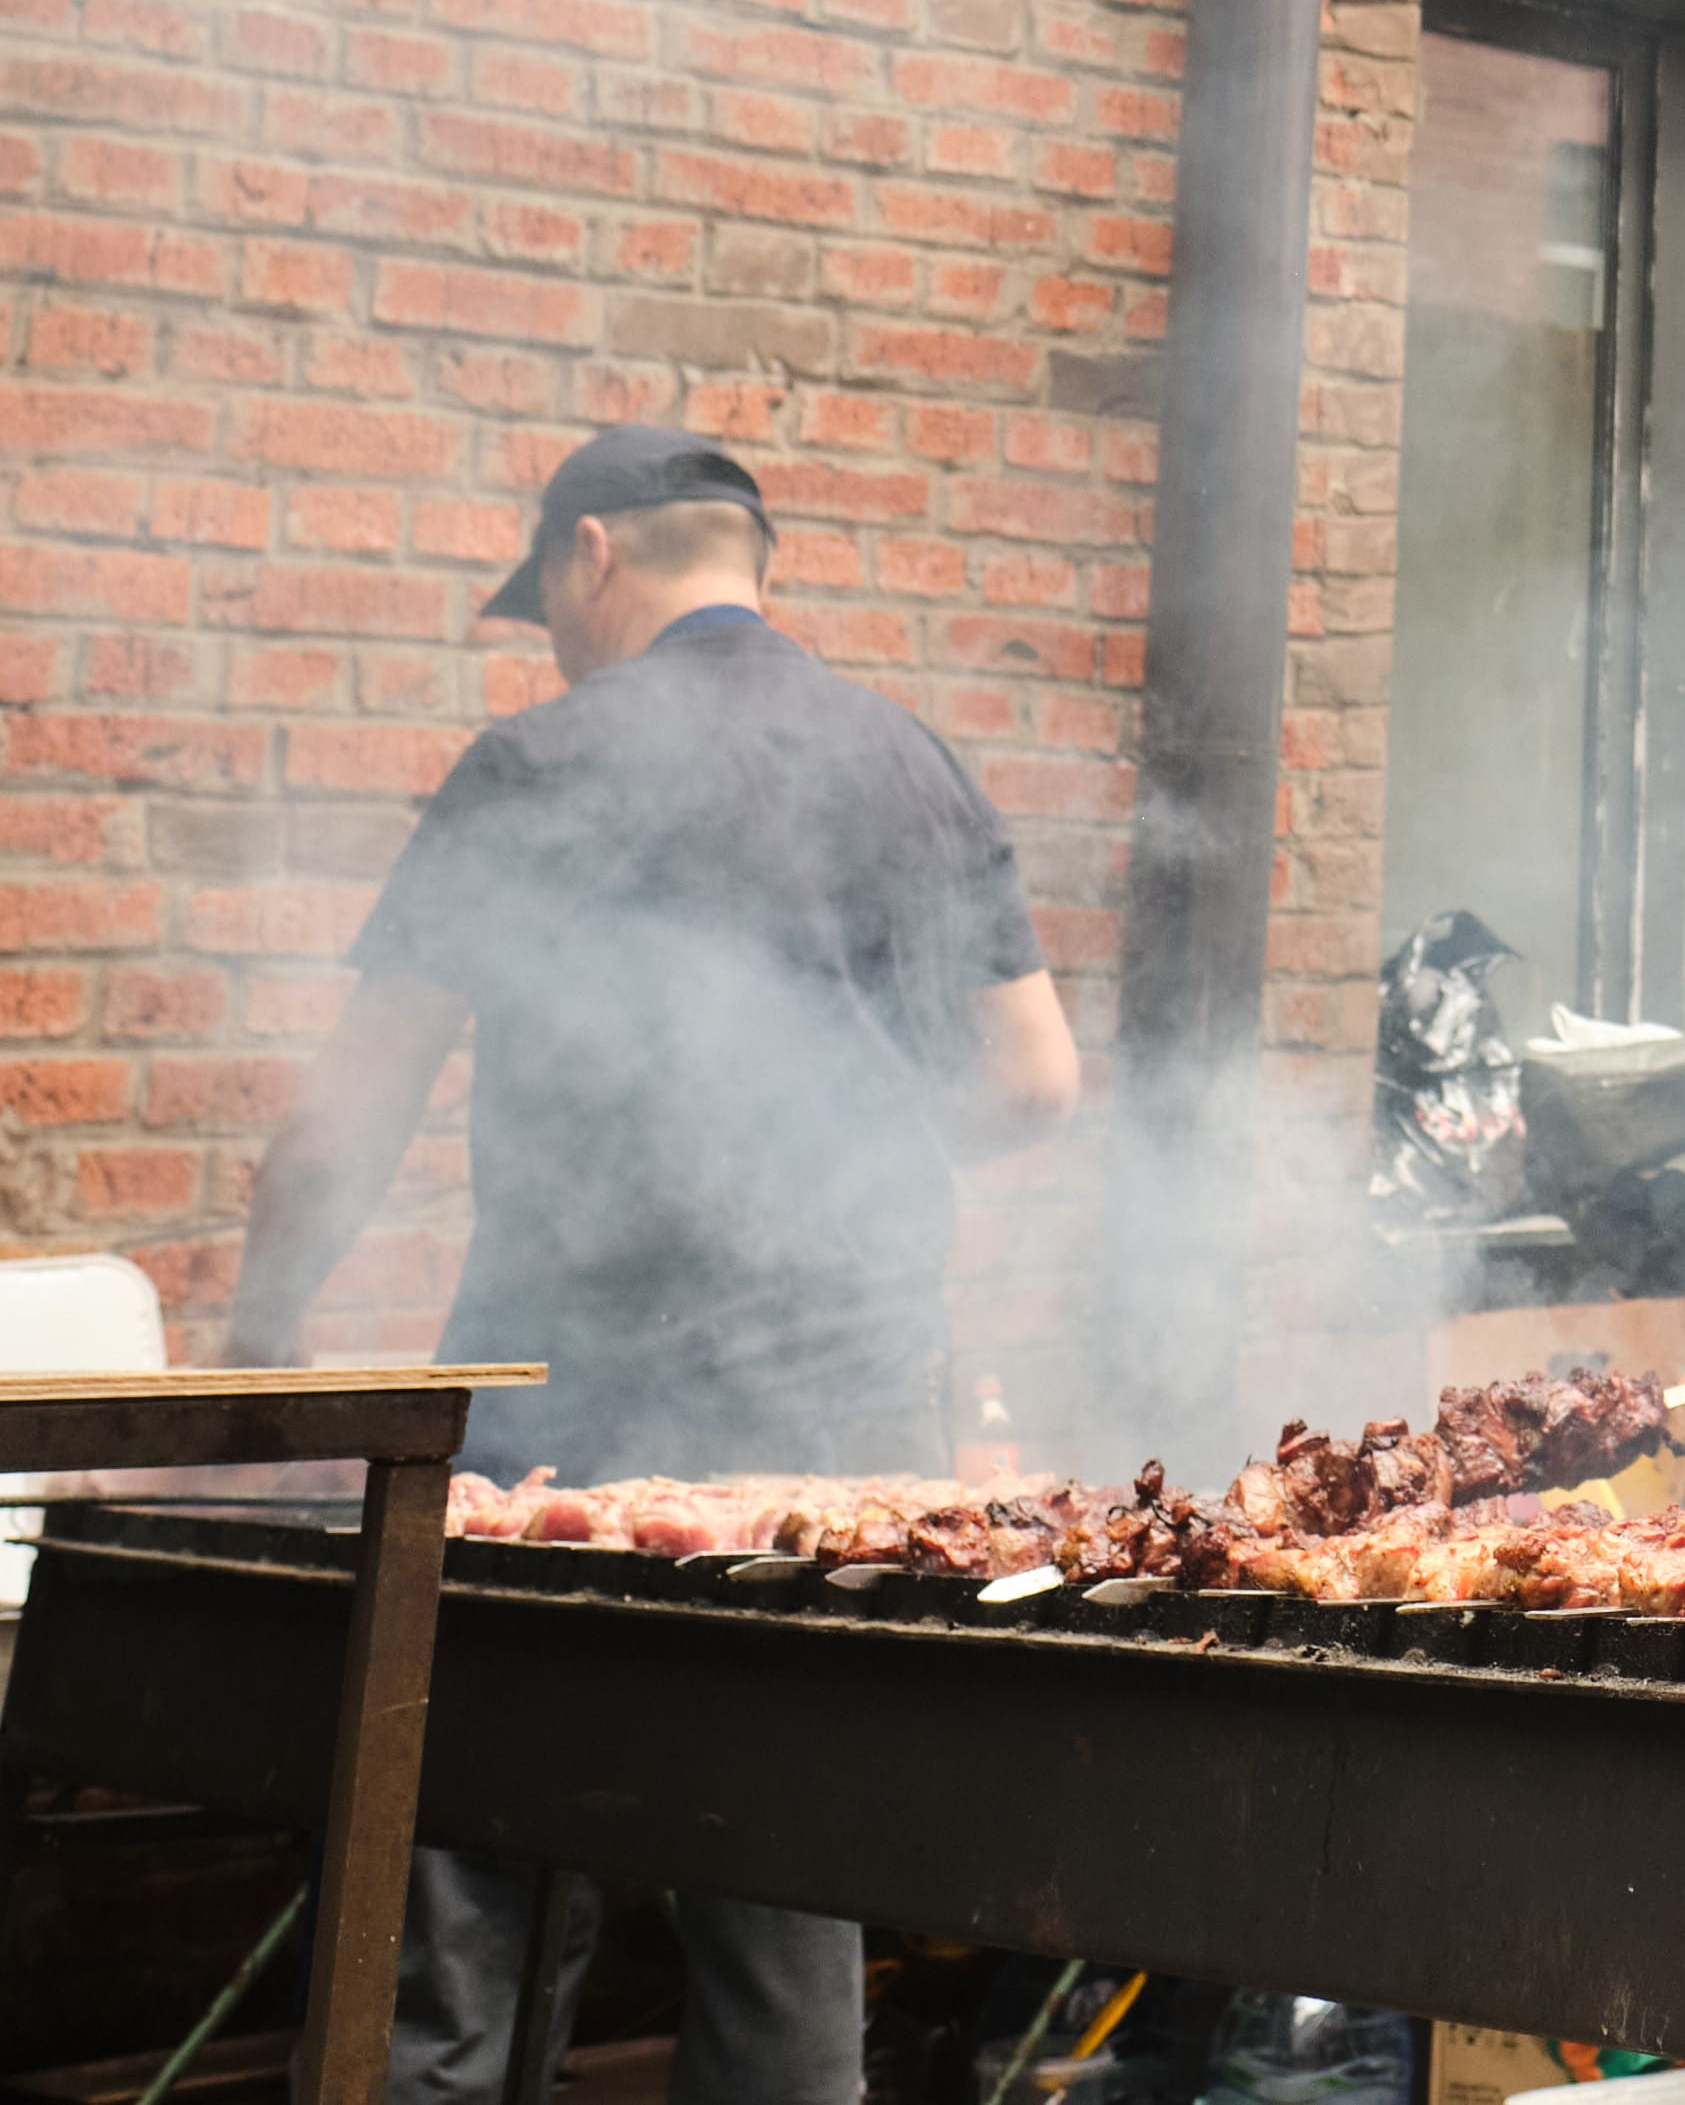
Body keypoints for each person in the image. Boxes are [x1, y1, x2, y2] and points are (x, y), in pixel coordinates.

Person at [225, 422, 1078, 2105]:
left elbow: (352, 1111)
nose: (548, 636)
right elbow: (1033, 1086)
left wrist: (267, 1338)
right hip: (838, 1413)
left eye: (543, 597)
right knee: (781, 1875)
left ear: (591, 557)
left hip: (572, 1404)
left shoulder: (534, 764)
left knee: (471, 1858)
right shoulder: (908, 761)